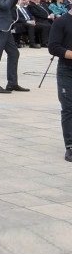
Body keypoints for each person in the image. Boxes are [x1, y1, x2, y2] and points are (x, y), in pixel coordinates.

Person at [48, 11, 72, 161]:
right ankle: (70, 146)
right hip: (67, 70)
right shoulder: (61, 21)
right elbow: (53, 47)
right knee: (68, 108)